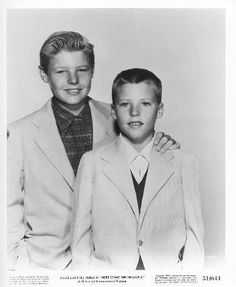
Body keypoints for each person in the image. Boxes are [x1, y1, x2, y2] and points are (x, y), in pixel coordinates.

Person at [7, 31, 179, 270]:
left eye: (82, 70)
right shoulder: (18, 134)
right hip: (45, 266)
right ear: (44, 74)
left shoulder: (122, 115)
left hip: (107, 264)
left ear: (92, 71)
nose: (73, 80)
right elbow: (8, 207)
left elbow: (151, 178)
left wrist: (162, 143)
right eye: (61, 72)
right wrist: (15, 264)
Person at [71, 68, 204, 271]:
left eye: (145, 104)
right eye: (125, 104)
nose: (135, 112)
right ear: (114, 112)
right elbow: (80, 238)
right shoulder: (92, 162)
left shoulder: (184, 163)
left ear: (160, 110)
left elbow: (194, 236)